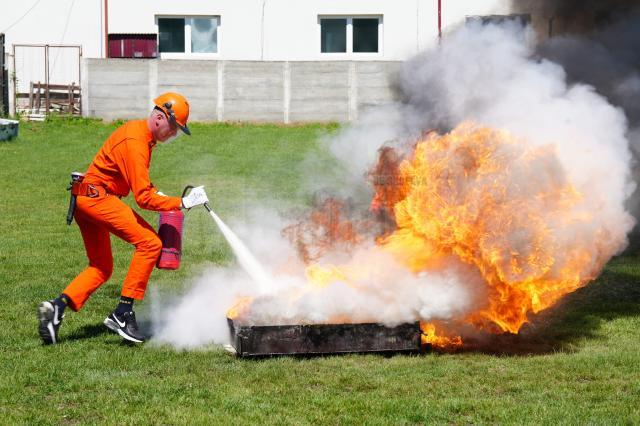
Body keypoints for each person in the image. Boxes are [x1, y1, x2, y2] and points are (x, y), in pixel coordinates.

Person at [37, 92, 209, 345]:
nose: (173, 134)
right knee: (150, 243)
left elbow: (139, 183)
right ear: (160, 118)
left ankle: (57, 308)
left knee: (101, 267)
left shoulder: (141, 136)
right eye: (174, 128)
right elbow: (143, 198)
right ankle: (122, 313)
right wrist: (182, 202)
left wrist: (159, 193)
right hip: (97, 199)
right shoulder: (137, 141)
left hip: (86, 198)